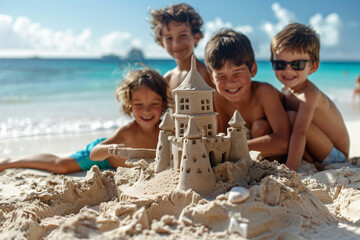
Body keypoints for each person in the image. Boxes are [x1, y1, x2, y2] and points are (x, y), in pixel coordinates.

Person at [0, 68, 168, 174]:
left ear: (163, 105)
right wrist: (111, 149)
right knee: (62, 166)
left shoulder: (166, 131)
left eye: (154, 104)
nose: (146, 111)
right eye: (139, 104)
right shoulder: (128, 132)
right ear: (129, 105)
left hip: (117, 165)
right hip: (104, 157)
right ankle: (10, 162)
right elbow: (95, 152)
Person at [270, 23, 349, 171]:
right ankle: (309, 160)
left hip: (337, 156)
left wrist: (290, 171)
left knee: (292, 118)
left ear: (312, 66)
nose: (287, 70)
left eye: (297, 64)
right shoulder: (285, 90)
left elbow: (300, 132)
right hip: (316, 150)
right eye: (280, 64)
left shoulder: (310, 94)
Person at [204, 29, 290, 159]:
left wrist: (234, 148)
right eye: (221, 76)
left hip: (285, 143)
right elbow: (222, 136)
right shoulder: (219, 97)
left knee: (260, 127)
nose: (230, 82)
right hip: (257, 145)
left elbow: (284, 142)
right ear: (212, 78)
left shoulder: (264, 92)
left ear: (253, 69)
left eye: (237, 73)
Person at [150, 3, 214, 97]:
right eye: (169, 38)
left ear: (196, 37)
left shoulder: (208, 75)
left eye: (183, 35)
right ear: (162, 43)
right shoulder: (167, 79)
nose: (176, 44)